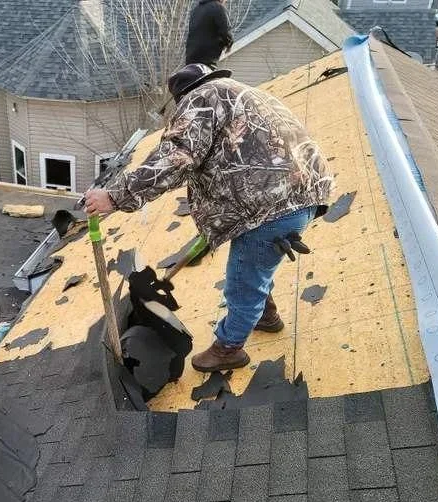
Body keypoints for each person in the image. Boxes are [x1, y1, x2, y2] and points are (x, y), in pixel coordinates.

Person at [85, 63, 333, 372]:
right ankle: (266, 316)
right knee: (254, 263)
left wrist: (115, 196)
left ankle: (229, 348)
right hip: (302, 192)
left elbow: (175, 158)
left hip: (271, 203)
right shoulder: (240, 93)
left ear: (182, 96)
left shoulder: (200, 100)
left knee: (242, 280)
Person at [185, 0, 234, 66]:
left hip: (190, 59)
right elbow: (225, 32)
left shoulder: (196, 10)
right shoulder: (218, 8)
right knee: (211, 75)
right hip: (207, 59)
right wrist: (229, 44)